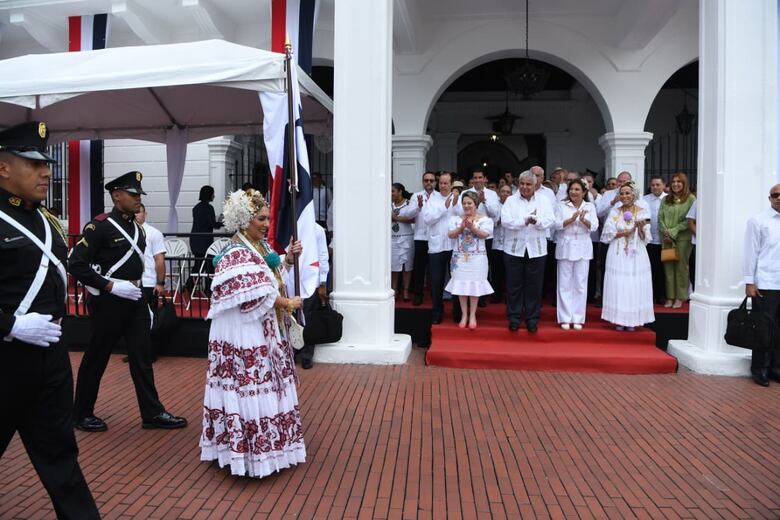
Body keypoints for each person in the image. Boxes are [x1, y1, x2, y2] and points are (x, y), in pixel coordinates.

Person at [0, 121, 101, 519]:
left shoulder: (48, 220)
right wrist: (9, 325)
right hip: (4, 359)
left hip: (50, 359)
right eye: (33, 163)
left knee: (61, 457)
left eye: (47, 163)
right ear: (3, 167)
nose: (46, 172)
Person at [69, 171, 187, 432]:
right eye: (133, 195)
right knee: (97, 358)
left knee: (142, 357)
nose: (137, 199)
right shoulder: (99, 226)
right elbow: (76, 264)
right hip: (108, 302)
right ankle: (81, 413)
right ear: (116, 195)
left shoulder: (137, 228)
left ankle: (152, 413)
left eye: (139, 195)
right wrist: (109, 285)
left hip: (135, 299)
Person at [200, 189, 306, 475]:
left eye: (267, 218)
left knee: (265, 385)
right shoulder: (236, 252)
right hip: (244, 332)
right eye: (260, 219)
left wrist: (289, 261)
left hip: (261, 329)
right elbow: (252, 295)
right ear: (244, 220)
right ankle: (247, 455)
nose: (266, 224)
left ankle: (263, 449)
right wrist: (288, 302)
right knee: (248, 387)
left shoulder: (259, 248)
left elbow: (267, 277)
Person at [501, 170, 556, 332]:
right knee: (513, 285)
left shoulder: (544, 200)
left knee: (534, 286)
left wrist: (537, 221)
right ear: (518, 184)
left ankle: (532, 319)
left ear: (535, 185)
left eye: (528, 184)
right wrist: (524, 221)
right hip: (513, 249)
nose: (525, 187)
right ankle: (514, 317)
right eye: (522, 183)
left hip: (536, 249)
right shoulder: (511, 200)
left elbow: (550, 220)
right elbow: (506, 221)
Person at [600, 182, 654, 331]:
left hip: (636, 252)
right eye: (622, 194)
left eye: (627, 193)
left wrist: (640, 228)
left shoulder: (642, 211)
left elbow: (646, 238)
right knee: (619, 283)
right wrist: (625, 232)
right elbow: (606, 234)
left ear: (634, 195)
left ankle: (633, 320)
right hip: (618, 251)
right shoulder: (615, 212)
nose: (625, 196)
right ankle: (619, 319)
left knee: (633, 283)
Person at [743, 184, 780, 387]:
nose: (779, 198)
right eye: (775, 195)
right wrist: (749, 281)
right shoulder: (758, 221)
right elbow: (750, 252)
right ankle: (760, 369)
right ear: (769, 198)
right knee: (764, 329)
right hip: (766, 283)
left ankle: (776, 368)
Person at [445, 191, 494, 329]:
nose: (466, 206)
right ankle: (464, 314)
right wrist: (461, 228)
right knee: (461, 286)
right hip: (459, 258)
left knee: (474, 287)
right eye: (464, 203)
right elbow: (450, 234)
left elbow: (485, 235)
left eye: (469, 203)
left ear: (475, 204)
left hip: (477, 258)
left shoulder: (485, 219)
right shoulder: (455, 219)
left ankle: (472, 314)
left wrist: (472, 227)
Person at [556, 179, 598, 330]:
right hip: (565, 246)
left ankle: (578, 318)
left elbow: (594, 226)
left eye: (577, 189)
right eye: (571, 189)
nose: (573, 192)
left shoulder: (590, 206)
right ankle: (565, 317)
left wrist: (583, 220)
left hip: (583, 246)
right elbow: (556, 224)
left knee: (580, 283)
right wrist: (571, 219)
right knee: (565, 283)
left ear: (584, 192)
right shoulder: (562, 205)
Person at [422, 172, 457, 324]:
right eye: (441, 183)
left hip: (455, 246)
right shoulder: (432, 200)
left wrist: (455, 203)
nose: (443, 186)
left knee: (457, 279)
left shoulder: (458, 199)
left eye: (446, 183)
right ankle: (437, 311)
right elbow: (428, 219)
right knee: (436, 281)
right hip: (436, 247)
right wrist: (444, 207)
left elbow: (465, 215)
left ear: (451, 184)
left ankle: (458, 311)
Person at [658, 172, 696, 308]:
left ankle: (680, 297)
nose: (675, 184)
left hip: (683, 239)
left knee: (681, 268)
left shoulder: (691, 199)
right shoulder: (666, 199)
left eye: (679, 182)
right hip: (667, 239)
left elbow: (689, 220)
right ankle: (670, 297)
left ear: (684, 183)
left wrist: (674, 231)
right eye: (673, 181)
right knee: (668, 267)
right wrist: (666, 232)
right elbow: (660, 218)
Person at [136, 202, 166, 360]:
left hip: (148, 282)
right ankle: (135, 352)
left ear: (145, 213)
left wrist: (160, 282)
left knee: (150, 318)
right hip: (132, 283)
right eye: (134, 212)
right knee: (133, 320)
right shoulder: (127, 232)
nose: (136, 215)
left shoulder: (153, 233)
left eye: (139, 212)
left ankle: (150, 352)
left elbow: (159, 259)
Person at [300, 222, 330, 369]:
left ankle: (307, 354)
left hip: (310, 280)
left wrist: (323, 282)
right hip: (290, 278)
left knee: (309, 316)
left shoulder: (317, 230)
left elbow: (323, 255)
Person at [409, 172, 437, 305]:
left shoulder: (439, 196)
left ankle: (435, 295)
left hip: (436, 238)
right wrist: (418, 207)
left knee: (435, 268)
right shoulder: (416, 196)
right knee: (419, 268)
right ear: (423, 181)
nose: (429, 183)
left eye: (431, 180)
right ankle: (418, 294)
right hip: (421, 237)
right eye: (426, 180)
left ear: (435, 182)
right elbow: (408, 213)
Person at [643, 176, 667, 304]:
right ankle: (651, 295)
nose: (655, 187)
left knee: (664, 270)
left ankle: (662, 295)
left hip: (665, 240)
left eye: (658, 185)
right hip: (650, 240)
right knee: (651, 268)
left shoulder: (668, 199)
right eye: (653, 185)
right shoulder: (645, 199)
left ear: (664, 185)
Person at [390, 182, 415, 301]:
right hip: (392, 237)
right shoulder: (388, 204)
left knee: (406, 265)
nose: (391, 194)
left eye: (393, 191)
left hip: (406, 237)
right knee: (394, 265)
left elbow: (413, 219)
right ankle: (394, 289)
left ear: (400, 191)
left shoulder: (409, 203)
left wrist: (396, 218)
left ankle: (406, 290)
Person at [491, 184, 513, 302]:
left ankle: (509, 296)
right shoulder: (495, 205)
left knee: (509, 273)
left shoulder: (514, 206)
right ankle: (496, 294)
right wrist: (498, 221)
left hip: (509, 244)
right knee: (496, 271)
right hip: (496, 243)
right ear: (499, 192)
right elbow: (490, 221)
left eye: (508, 192)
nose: (505, 193)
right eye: (503, 191)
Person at [191, 185, 222, 259]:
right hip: (204, 240)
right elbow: (212, 224)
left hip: (195, 238)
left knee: (199, 263)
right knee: (208, 263)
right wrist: (222, 222)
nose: (214, 196)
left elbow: (203, 222)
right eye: (213, 194)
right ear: (209, 194)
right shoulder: (209, 208)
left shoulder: (196, 207)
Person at [687, 199, 697, 291]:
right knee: (695, 272)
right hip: (698, 244)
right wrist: (701, 237)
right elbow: (690, 222)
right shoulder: (698, 202)